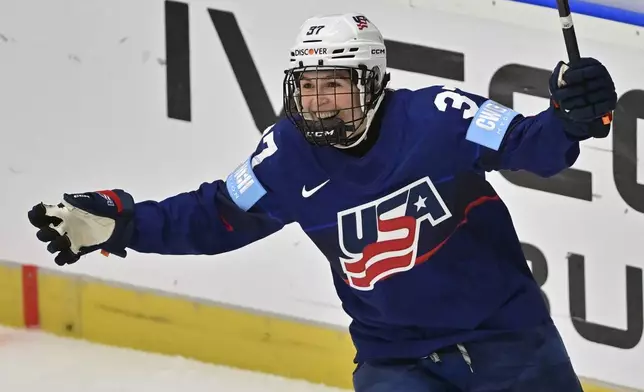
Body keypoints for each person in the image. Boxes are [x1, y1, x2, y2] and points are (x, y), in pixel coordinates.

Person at [28, 13, 616, 392]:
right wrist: (122, 225)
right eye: (306, 87)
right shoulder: (285, 155)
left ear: (373, 81)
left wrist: (569, 116)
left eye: (334, 85)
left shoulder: (439, 117)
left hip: (510, 342)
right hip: (398, 363)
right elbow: (216, 217)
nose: (317, 103)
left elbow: (533, 147)